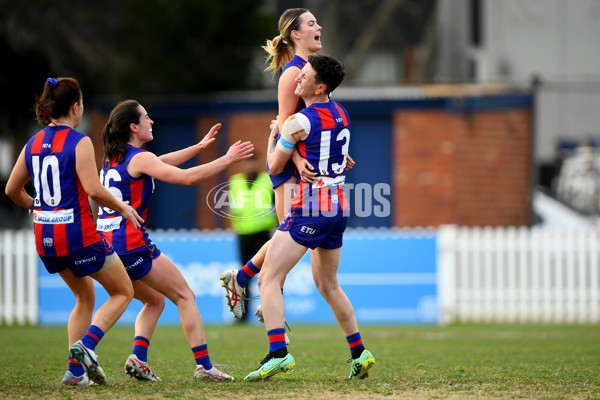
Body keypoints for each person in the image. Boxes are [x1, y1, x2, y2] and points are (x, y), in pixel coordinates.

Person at [98, 99, 253, 382]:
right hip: (131, 243)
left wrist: (199, 147)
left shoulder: (115, 158)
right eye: (146, 117)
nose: (151, 121)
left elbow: (162, 162)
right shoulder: (140, 158)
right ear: (134, 127)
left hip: (109, 245)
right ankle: (204, 366)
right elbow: (186, 179)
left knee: (155, 301)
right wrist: (226, 159)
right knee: (185, 296)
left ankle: (139, 358)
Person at [243, 55, 375, 381]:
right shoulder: (341, 112)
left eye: (304, 76)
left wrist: (275, 134)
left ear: (320, 86)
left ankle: (278, 353)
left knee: (268, 279)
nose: (297, 79)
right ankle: (360, 352)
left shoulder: (298, 122)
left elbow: (274, 167)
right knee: (328, 284)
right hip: (338, 206)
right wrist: (303, 157)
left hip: (311, 207)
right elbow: (340, 156)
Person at [220, 8, 355, 328]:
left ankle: (244, 283)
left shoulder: (315, 71)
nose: (319, 26)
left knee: (286, 238)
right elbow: (284, 126)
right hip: (287, 168)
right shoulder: (293, 73)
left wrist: (335, 154)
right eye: (311, 23)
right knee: (285, 237)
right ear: (295, 35)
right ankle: (268, 307)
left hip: (306, 169)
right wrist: (296, 160)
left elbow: (314, 125)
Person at [5, 77, 142, 386]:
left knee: (84, 296)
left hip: (45, 238)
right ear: (76, 107)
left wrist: (36, 207)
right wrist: (122, 207)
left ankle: (75, 373)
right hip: (78, 234)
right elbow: (93, 189)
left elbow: (12, 189)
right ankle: (85, 346)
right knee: (123, 292)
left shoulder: (34, 142)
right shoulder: (79, 141)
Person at [227, 155, 278, 322]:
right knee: (244, 275)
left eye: (253, 162)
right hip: (243, 233)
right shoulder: (235, 182)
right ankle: (243, 315)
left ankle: (270, 312)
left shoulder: (267, 180)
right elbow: (232, 207)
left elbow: (276, 204)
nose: (250, 166)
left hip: (263, 233)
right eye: (247, 163)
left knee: (268, 274)